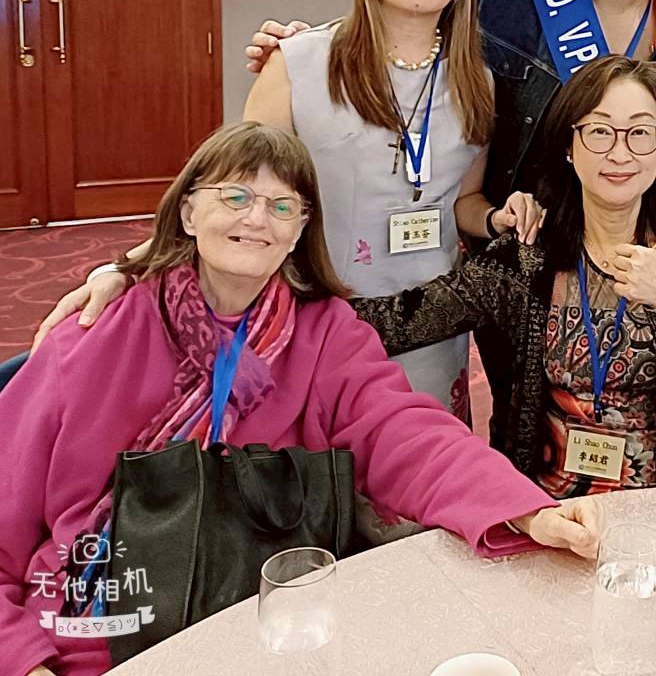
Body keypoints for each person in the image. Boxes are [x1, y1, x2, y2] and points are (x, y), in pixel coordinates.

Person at [0, 122, 601, 676]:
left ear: (299, 231)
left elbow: (405, 434)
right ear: (188, 211)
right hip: (101, 629)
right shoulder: (95, 333)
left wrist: (524, 509)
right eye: (235, 196)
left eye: (282, 206)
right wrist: (25, 662)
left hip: (267, 620)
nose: (257, 218)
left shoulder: (324, 335)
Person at [240, 0, 656, 443]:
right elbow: (413, 18)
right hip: (523, 266)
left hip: (639, 262)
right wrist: (304, 50)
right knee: (518, 425)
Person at [31, 0, 544, 415]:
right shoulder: (299, 63)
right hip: (315, 311)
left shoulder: (477, 81)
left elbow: (462, 202)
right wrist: (125, 268)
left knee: (421, 452)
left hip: (429, 323)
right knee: (324, 456)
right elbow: (231, 195)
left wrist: (498, 219)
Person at [352, 57, 656, 496]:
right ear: (568, 146)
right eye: (599, 131)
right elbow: (406, 319)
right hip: (546, 508)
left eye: (640, 132)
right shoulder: (530, 253)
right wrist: (291, 311)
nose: (620, 153)